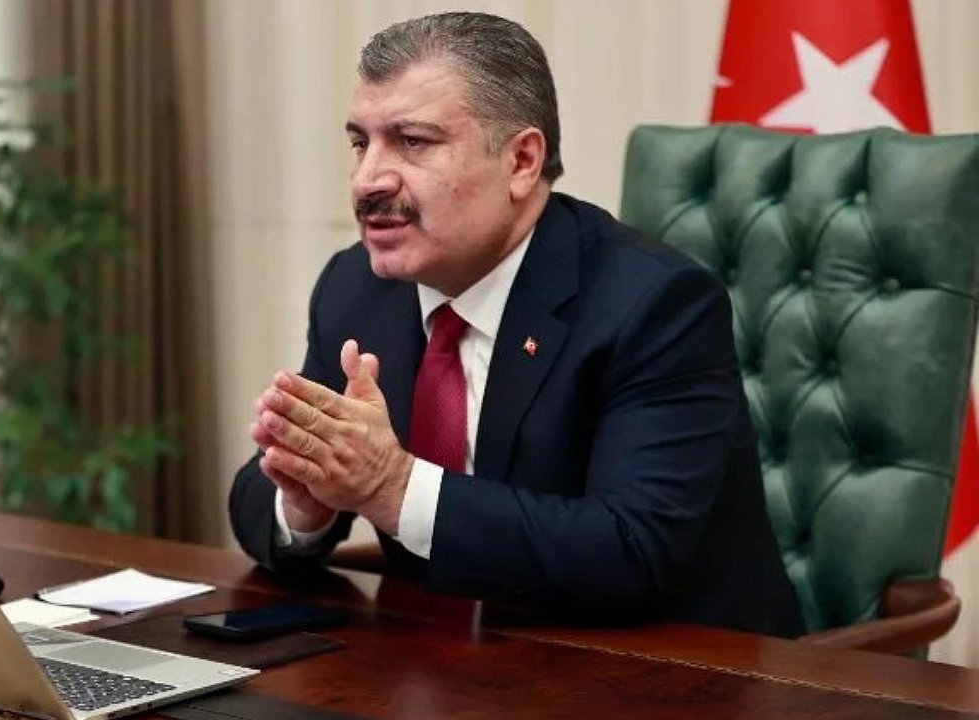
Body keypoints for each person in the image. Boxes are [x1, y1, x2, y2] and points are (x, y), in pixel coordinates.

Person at [229, 11, 803, 637]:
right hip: (445, 666)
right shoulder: (359, 288)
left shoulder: (655, 305)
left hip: (675, 667)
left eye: (412, 142)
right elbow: (260, 493)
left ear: (522, 161)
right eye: (361, 144)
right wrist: (307, 504)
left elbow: (631, 549)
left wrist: (394, 488)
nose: (368, 180)